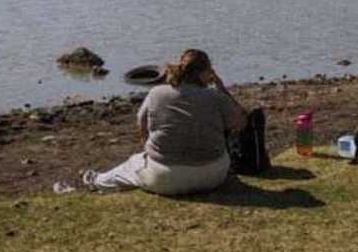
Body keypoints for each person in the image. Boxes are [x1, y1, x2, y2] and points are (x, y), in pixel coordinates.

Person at [82, 49, 247, 195]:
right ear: (205, 72)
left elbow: (141, 122)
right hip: (213, 176)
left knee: (133, 163)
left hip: (165, 177)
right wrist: (221, 87)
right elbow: (241, 122)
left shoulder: (156, 93)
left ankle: (95, 180)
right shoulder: (216, 97)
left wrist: (149, 146)